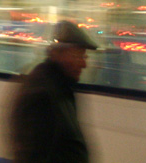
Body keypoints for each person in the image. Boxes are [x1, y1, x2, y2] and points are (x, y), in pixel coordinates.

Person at [7, 20, 98, 163]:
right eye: (77, 56)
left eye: (84, 56)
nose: (84, 64)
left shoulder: (61, 87)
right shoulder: (41, 93)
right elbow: (32, 155)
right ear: (57, 54)